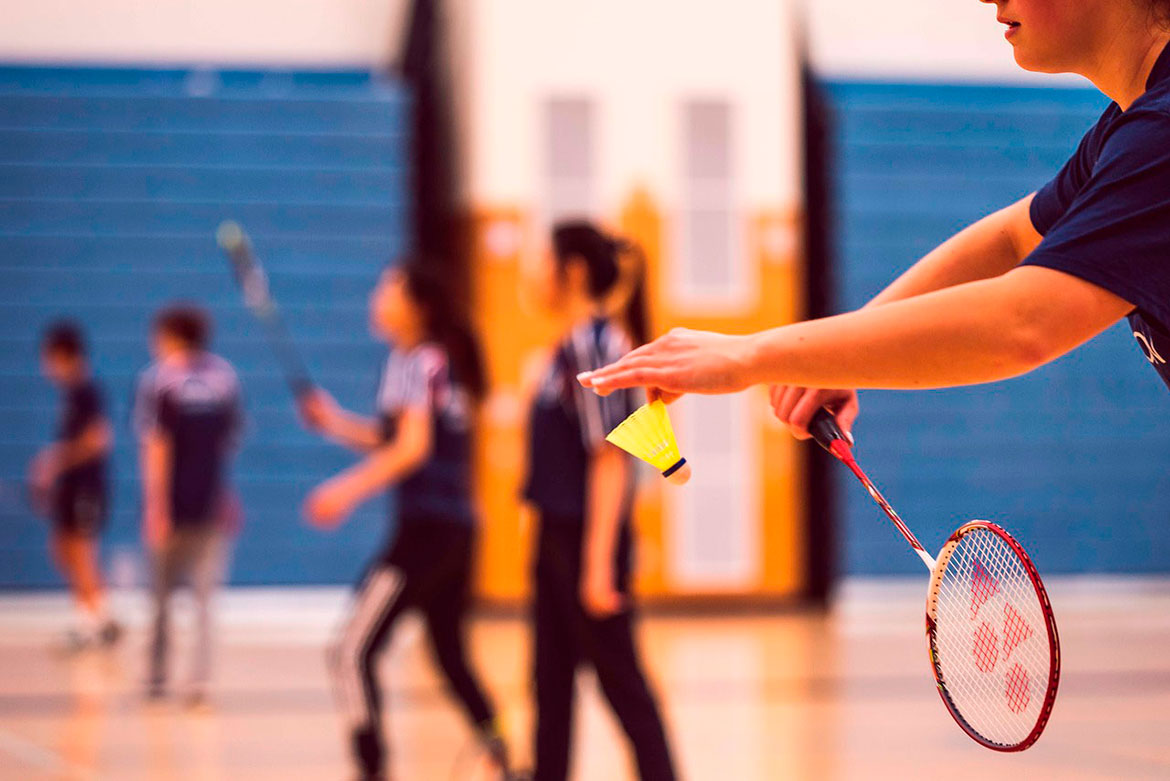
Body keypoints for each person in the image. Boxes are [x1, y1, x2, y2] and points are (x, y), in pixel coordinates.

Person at [579, 1, 1170, 438]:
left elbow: (1026, 321)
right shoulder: (1127, 130)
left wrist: (748, 356)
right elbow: (1012, 238)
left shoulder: (1161, 133)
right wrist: (830, 357)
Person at [299, 261, 513, 781]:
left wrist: (343, 490)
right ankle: (507, 761)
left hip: (426, 534)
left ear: (416, 306)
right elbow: (398, 437)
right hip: (458, 530)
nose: (376, 298)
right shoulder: (443, 362)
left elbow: (411, 449)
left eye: (386, 289)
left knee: (350, 651)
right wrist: (334, 423)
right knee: (450, 654)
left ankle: (372, 770)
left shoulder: (415, 360)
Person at [522, 221, 677, 781]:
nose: (531, 272)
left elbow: (610, 458)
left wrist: (595, 566)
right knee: (550, 683)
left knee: (621, 684)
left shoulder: (596, 343)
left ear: (574, 271)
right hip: (557, 537)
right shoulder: (568, 345)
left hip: (586, 541)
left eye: (542, 259)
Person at [133, 305, 242, 705]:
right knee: (204, 601)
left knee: (160, 598)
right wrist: (227, 495)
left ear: (171, 336)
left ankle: (157, 678)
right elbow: (226, 446)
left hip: (176, 506)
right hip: (211, 503)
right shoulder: (224, 378)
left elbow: (155, 446)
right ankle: (199, 682)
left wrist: (155, 506)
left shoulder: (159, 380)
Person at [30, 321, 121, 650]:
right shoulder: (70, 395)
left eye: (49, 358)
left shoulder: (87, 391)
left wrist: (55, 460)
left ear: (64, 355)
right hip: (70, 488)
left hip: (87, 487)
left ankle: (94, 625)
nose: (45, 367)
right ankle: (97, 618)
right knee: (63, 550)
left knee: (83, 553)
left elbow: (99, 439)